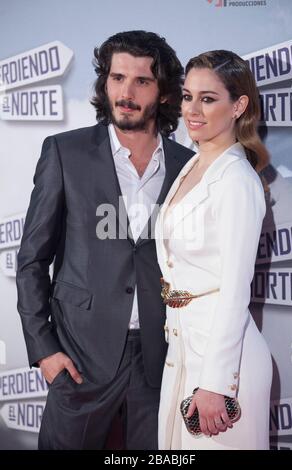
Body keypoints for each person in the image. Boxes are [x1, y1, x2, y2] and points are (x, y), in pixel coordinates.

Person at [16, 30, 194, 450]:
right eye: (117, 78)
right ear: (104, 83)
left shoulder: (189, 167)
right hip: (79, 357)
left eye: (142, 81)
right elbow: (31, 260)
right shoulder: (65, 152)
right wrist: (44, 350)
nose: (126, 92)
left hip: (161, 361)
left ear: (165, 92)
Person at [155, 50, 273, 450]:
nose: (193, 109)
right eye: (188, 96)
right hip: (185, 351)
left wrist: (216, 384)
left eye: (208, 99)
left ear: (238, 105)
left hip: (221, 367)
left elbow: (235, 289)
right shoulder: (194, 165)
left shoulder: (236, 179)